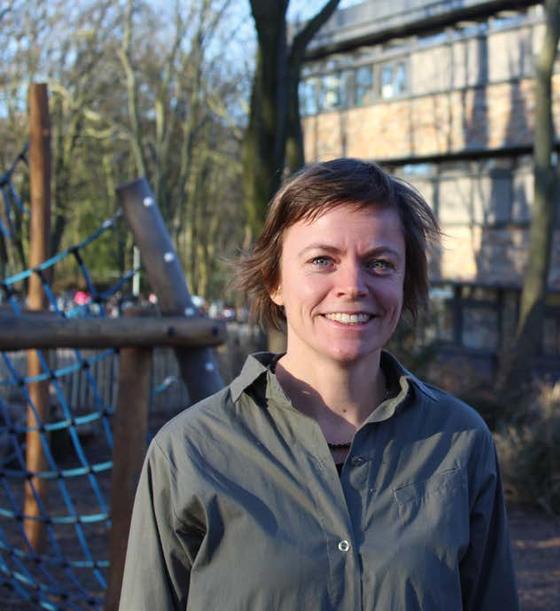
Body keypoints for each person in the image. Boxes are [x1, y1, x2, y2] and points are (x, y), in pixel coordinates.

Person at [120, 159, 519, 610]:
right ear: (274, 281)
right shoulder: (189, 452)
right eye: (322, 260)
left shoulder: (460, 443)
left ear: (406, 283)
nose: (352, 285)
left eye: (380, 264)